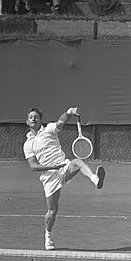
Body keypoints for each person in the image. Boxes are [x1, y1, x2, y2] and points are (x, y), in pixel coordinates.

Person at [23, 106, 105, 250]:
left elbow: (61, 122)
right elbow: (33, 167)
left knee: (78, 162)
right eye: (31, 117)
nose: (33, 119)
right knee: (52, 212)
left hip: (63, 167)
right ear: (27, 122)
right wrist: (51, 167)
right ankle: (48, 236)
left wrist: (69, 112)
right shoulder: (28, 144)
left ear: (40, 120)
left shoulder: (49, 129)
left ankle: (95, 179)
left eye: (36, 117)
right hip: (49, 177)